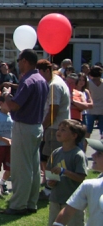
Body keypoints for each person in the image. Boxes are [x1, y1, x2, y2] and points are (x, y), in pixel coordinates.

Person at [3, 49, 49, 215]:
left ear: (26, 61)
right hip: (36, 125)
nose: (18, 62)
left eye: (19, 59)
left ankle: (18, 204)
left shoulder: (28, 80)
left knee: (21, 168)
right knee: (33, 167)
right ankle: (31, 202)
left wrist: (7, 96)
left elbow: (15, 105)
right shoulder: (41, 80)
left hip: (24, 126)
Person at [45, 119, 88, 226]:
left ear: (74, 135)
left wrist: (65, 172)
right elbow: (50, 173)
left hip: (74, 201)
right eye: (59, 128)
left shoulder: (78, 155)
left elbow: (81, 177)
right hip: (56, 197)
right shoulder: (56, 152)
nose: (59, 131)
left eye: (64, 130)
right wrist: (51, 182)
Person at [39, 59, 71, 189]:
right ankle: (49, 183)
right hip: (56, 127)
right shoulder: (56, 81)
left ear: (47, 70)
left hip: (55, 128)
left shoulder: (54, 86)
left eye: (40, 72)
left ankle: (51, 187)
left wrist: (43, 126)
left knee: (51, 159)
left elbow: (53, 110)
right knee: (47, 158)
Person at [86, 66, 103, 138]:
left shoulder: (88, 83)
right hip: (102, 109)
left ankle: (84, 148)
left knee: (88, 131)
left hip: (91, 109)